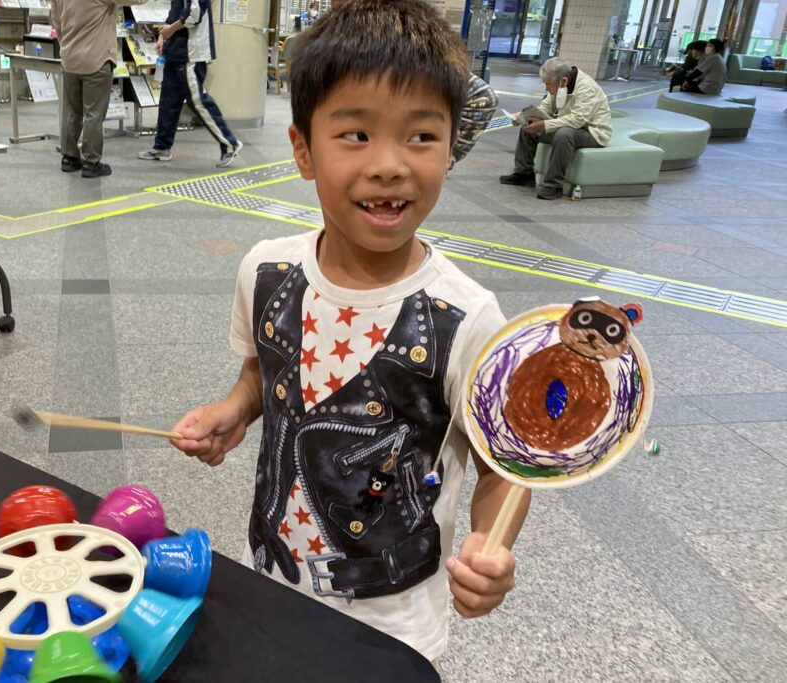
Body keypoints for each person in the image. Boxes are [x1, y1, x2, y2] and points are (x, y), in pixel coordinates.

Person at [169, 0, 527, 662]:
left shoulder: (467, 316)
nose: (390, 164)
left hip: (393, 623)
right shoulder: (266, 271)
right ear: (303, 151)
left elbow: (504, 466)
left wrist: (493, 542)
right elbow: (261, 372)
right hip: (273, 578)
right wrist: (233, 409)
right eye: (356, 135)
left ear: (452, 148)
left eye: (420, 136)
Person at [137, 1, 243, 168]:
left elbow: (196, 13)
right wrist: (163, 36)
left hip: (190, 55)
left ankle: (230, 144)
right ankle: (162, 147)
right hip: (176, 52)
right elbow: (176, 11)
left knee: (199, 102)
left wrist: (170, 30)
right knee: (168, 101)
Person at [51, 0, 147, 178]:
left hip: (70, 59)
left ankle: (69, 157)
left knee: (71, 111)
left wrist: (67, 45)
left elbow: (56, 22)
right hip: (97, 58)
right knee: (94, 114)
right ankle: (91, 162)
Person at [499, 57, 611, 201]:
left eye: (548, 84)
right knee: (529, 127)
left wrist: (544, 124)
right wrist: (524, 117)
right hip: (569, 125)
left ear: (563, 81)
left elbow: (577, 120)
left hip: (593, 132)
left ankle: (554, 185)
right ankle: (524, 174)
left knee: (564, 134)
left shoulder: (587, 88)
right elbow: (545, 107)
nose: (546, 88)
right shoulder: (559, 85)